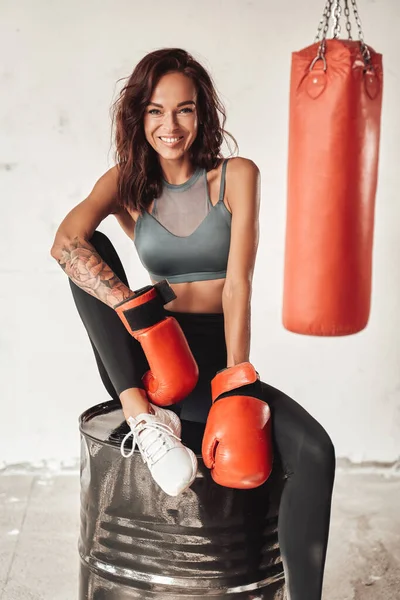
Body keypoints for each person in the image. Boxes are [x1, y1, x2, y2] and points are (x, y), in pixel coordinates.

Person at [50, 47, 336, 600]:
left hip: (210, 357)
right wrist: (133, 307)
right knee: (87, 253)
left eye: (184, 109)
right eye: (156, 111)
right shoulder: (128, 183)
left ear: (202, 113)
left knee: (315, 452)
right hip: (149, 356)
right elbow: (65, 244)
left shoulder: (236, 177)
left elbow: (238, 284)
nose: (170, 125)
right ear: (140, 116)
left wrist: (236, 379)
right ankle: (144, 422)